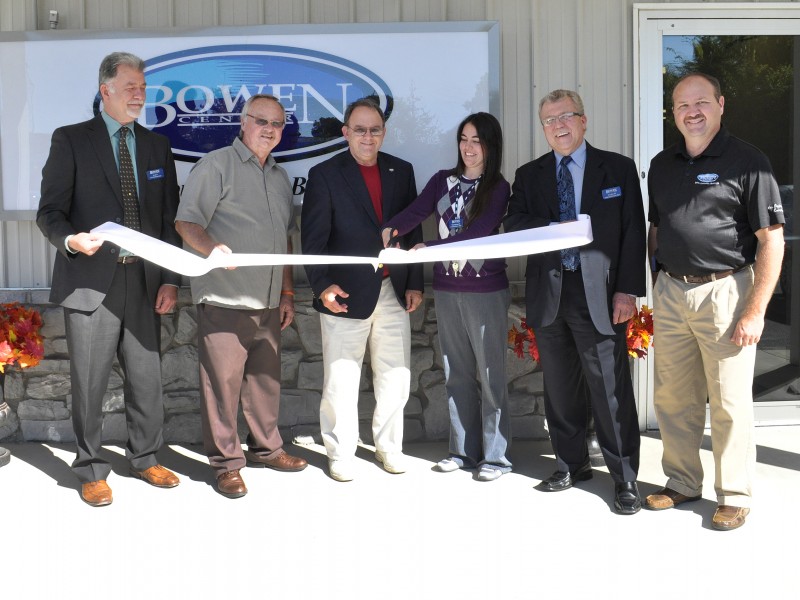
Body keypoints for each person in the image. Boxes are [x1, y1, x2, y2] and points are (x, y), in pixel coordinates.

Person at [36, 52, 181, 507]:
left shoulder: (157, 146)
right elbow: (50, 212)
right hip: (90, 282)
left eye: (143, 87)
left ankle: (145, 457)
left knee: (147, 380)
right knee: (90, 384)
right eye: (131, 87)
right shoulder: (71, 140)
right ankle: (91, 469)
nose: (140, 94)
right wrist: (70, 241)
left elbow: (167, 221)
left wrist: (170, 280)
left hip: (143, 281)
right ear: (106, 91)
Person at [645, 73, 784, 530]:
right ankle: (682, 481)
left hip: (725, 291)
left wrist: (756, 308)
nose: (692, 111)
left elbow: (772, 239)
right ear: (674, 112)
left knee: (728, 400)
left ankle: (735, 492)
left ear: (721, 105)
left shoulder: (749, 161)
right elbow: (657, 228)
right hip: (671, 292)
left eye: (702, 101)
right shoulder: (662, 164)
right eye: (682, 104)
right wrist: (658, 281)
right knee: (672, 397)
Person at [504, 89, 646, 514]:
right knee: (561, 388)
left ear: (583, 120)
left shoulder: (617, 169)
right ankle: (571, 463)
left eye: (566, 116)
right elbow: (515, 222)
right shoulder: (529, 175)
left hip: (601, 297)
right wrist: (558, 227)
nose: (558, 125)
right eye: (549, 120)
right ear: (543, 129)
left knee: (610, 389)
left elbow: (633, 233)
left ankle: (624, 477)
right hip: (549, 296)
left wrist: (627, 291)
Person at [175, 94, 307, 499]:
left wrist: (286, 291)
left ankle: (267, 449)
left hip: (269, 301)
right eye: (261, 121)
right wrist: (212, 249)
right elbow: (186, 223)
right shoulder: (217, 165)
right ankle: (226, 465)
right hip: (225, 298)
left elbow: (282, 239)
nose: (270, 129)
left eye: (278, 124)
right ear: (243, 122)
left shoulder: (280, 178)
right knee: (222, 387)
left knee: (265, 383)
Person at [382, 112, 512, 481]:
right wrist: (391, 228)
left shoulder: (499, 187)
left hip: (485, 291)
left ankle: (497, 457)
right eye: (464, 139)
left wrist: (430, 247)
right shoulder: (442, 181)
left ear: (490, 147)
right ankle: (462, 452)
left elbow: (480, 232)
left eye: (477, 141)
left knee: (490, 376)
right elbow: (417, 211)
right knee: (456, 374)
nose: (468, 148)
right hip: (448, 289)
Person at [301, 98, 424, 482]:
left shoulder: (401, 171)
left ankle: (390, 447)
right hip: (344, 292)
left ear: (384, 132)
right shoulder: (324, 174)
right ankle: (340, 452)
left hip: (393, 287)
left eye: (374, 129)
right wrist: (322, 286)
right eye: (359, 129)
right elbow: (313, 238)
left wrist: (415, 281)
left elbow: (414, 228)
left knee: (395, 374)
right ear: (345, 133)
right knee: (340, 376)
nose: (367, 136)